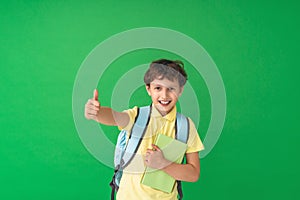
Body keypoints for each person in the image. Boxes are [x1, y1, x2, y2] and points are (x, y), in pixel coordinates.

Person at [84, 59, 204, 200]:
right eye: (158, 88)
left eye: (171, 89)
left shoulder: (186, 126)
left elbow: (193, 174)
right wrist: (97, 113)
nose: (164, 95)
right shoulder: (137, 117)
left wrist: (163, 164)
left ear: (180, 90)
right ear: (148, 89)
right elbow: (115, 116)